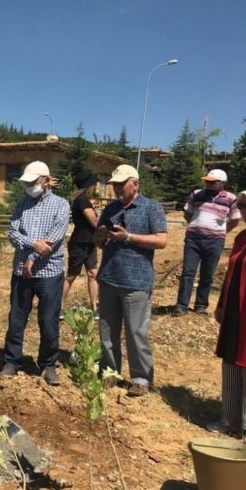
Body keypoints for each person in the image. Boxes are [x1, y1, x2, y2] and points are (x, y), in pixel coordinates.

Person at [95, 164, 167, 397]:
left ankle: (140, 378)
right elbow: (98, 242)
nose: (116, 188)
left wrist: (128, 238)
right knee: (107, 330)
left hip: (136, 281)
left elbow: (161, 240)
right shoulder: (110, 209)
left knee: (136, 332)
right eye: (114, 184)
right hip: (109, 278)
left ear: (134, 184)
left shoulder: (151, 207)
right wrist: (102, 235)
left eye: (120, 184)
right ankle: (110, 371)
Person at [2, 161, 69, 385]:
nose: (29, 186)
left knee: (49, 320)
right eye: (27, 182)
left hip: (49, 272)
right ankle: (12, 360)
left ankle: (48, 364)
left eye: (33, 181)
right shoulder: (22, 205)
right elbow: (13, 233)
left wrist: (32, 258)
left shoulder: (61, 205)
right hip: (21, 272)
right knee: (16, 318)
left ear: (46, 181)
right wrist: (32, 244)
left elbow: (54, 238)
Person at [208, 185, 246, 447]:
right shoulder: (242, 238)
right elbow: (231, 275)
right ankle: (230, 418)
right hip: (234, 310)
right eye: (240, 205)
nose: (242, 211)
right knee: (230, 360)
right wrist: (220, 304)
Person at [172, 169, 240, 316]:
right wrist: (196, 226)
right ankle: (182, 305)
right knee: (188, 272)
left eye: (212, 181)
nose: (207, 183)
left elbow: (235, 220)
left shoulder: (231, 199)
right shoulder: (196, 194)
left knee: (207, 274)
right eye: (207, 181)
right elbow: (187, 213)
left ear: (222, 183)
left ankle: (201, 305)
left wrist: (220, 231)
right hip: (193, 240)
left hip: (215, 241)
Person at [61, 168, 100, 318]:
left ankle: (94, 307)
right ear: (88, 186)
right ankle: (60, 307)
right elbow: (93, 221)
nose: (95, 187)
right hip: (80, 243)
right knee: (71, 275)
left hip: (89, 242)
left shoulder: (83, 200)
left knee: (92, 274)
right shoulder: (82, 201)